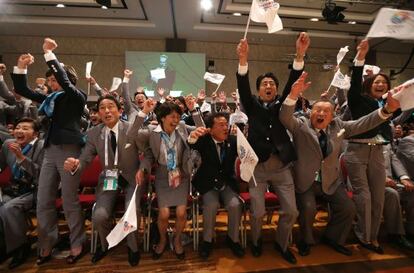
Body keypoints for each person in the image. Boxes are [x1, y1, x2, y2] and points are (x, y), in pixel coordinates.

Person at [279, 72, 401, 257]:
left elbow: (363, 123)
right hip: (306, 183)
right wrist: (292, 95)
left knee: (348, 208)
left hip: (331, 181)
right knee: (308, 208)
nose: (320, 113)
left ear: (333, 115)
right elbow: (285, 117)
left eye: (325, 111)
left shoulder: (338, 126)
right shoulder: (301, 126)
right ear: (310, 112)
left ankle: (333, 238)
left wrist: (386, 111)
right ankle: (306, 240)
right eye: (317, 110)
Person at [11, 38, 87, 264]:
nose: (52, 84)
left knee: (69, 199)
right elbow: (21, 89)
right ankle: (46, 245)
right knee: (43, 199)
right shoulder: (50, 100)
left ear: (67, 80)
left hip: (69, 149)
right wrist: (21, 67)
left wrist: (49, 54)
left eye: (56, 80)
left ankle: (77, 243)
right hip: (50, 149)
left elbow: (64, 80)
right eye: (50, 81)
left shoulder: (76, 96)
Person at [235, 32, 310, 264]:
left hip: (281, 165)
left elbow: (293, 82)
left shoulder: (282, 103)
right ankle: (256, 241)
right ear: (259, 90)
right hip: (257, 166)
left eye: (272, 84)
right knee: (257, 212)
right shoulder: (251, 104)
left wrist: (300, 54)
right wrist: (243, 59)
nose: (269, 86)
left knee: (292, 211)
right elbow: (242, 83)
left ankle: (281, 243)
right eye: (264, 84)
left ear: (276, 90)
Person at [64, 95, 156, 266]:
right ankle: (105, 244)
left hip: (132, 178)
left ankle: (133, 247)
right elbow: (85, 159)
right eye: (102, 108)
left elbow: (148, 154)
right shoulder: (93, 133)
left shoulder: (131, 129)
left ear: (120, 110)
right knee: (99, 215)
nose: (106, 111)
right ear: (98, 113)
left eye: (111, 106)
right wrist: (76, 164)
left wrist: (143, 169)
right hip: (109, 179)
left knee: (132, 211)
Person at [344, 39, 404, 254]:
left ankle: (373, 237)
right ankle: (364, 237)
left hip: (379, 152)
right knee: (365, 197)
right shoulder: (358, 100)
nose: (380, 84)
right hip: (356, 151)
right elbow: (354, 83)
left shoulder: (390, 106)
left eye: (384, 83)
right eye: (376, 82)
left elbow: (399, 111)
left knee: (378, 197)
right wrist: (360, 56)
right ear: (368, 84)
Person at [132, 102, 201, 260]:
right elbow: (133, 135)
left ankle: (177, 239)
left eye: (178, 116)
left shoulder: (182, 127)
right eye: (172, 116)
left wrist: (193, 110)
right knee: (163, 214)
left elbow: (202, 129)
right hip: (163, 175)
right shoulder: (152, 132)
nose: (176, 119)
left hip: (181, 173)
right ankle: (163, 240)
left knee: (181, 212)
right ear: (162, 118)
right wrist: (143, 112)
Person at [188, 112, 244, 259]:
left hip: (226, 183)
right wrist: (193, 135)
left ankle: (233, 239)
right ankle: (207, 241)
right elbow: (191, 143)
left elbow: (247, 152)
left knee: (235, 205)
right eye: (221, 125)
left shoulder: (233, 140)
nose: (225, 128)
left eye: (226, 124)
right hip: (208, 183)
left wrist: (243, 136)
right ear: (210, 129)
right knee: (211, 205)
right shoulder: (204, 140)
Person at [0, 118, 44, 269]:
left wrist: (21, 157)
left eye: (25, 128)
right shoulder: (8, 144)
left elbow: (41, 174)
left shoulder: (42, 146)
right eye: (18, 128)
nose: (19, 131)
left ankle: (20, 247)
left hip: (35, 189)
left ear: (35, 134)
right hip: (14, 189)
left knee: (9, 208)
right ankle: (4, 246)